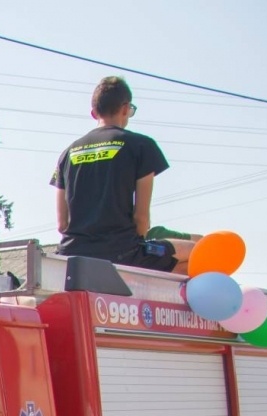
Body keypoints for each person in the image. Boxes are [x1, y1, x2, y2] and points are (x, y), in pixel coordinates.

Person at [50, 76, 194, 273]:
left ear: (93, 113)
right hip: (123, 253)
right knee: (197, 253)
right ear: (125, 108)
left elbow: (62, 223)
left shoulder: (68, 153)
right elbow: (142, 218)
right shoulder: (141, 146)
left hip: (72, 255)